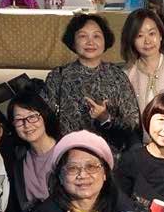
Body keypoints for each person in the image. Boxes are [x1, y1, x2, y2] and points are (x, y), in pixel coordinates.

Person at [45, 12, 140, 144]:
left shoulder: (117, 76)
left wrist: (105, 118)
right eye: (83, 36)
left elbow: (133, 123)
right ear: (73, 42)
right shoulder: (57, 76)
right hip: (68, 150)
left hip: (109, 151)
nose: (90, 42)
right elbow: (44, 120)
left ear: (105, 41)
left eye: (96, 36)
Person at [9, 90, 65, 211]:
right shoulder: (17, 161)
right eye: (19, 120)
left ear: (44, 116)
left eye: (32, 117)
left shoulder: (67, 152)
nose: (27, 125)